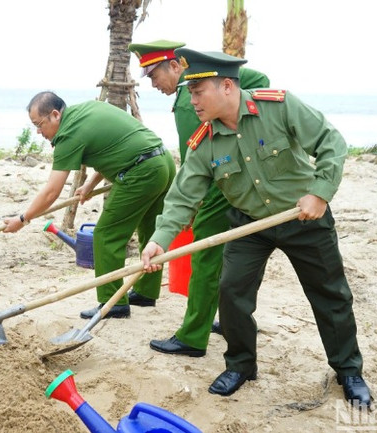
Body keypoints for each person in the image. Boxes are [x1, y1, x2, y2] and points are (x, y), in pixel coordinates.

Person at [140, 49, 371, 407]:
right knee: (232, 293)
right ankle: (241, 365)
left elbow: (332, 143)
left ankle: (349, 371)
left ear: (227, 86)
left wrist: (320, 193)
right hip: (249, 225)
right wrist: (159, 241)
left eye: (198, 92)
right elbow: (182, 197)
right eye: (190, 92)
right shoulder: (205, 142)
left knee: (330, 296)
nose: (192, 100)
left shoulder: (279, 107)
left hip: (302, 217)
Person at [128, 40, 270, 358]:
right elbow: (259, 80)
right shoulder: (207, 89)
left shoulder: (184, 103)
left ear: (176, 67)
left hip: (219, 187)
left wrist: (193, 205)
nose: (153, 85)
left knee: (206, 258)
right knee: (230, 256)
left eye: (154, 76)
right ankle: (226, 319)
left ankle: (193, 337)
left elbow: (194, 163)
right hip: (242, 182)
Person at [3, 91, 176, 319]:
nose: (38, 131)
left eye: (39, 124)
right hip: (162, 162)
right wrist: (89, 184)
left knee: (106, 235)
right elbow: (110, 147)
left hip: (141, 173)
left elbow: (52, 191)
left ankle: (112, 303)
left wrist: (23, 219)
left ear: (55, 115)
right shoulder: (84, 110)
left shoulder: (67, 134)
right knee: (150, 230)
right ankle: (146, 291)